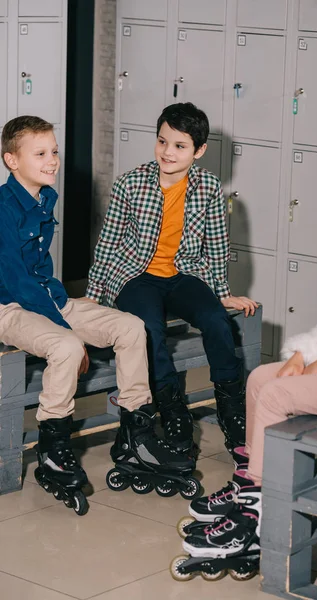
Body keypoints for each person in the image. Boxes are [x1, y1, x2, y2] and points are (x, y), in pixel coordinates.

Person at [179, 148, 317, 562]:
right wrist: (304, 354)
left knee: (280, 396)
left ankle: (260, 513)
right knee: (263, 377)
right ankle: (250, 483)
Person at [0, 115, 195, 513]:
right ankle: (53, 450)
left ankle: (136, 433)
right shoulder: (3, 210)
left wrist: (71, 310)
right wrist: (67, 329)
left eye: (54, 151)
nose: (52, 160)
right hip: (10, 307)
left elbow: (41, 278)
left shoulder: (45, 198)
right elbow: (18, 283)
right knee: (68, 347)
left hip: (49, 300)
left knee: (130, 326)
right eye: (40, 154)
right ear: (11, 161)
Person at [85, 102, 258, 454]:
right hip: (136, 275)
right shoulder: (129, 184)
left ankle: (231, 408)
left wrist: (221, 293)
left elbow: (217, 245)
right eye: (162, 142)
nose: (168, 152)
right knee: (150, 328)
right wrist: (94, 295)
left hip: (184, 274)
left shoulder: (209, 188)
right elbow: (108, 243)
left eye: (179, 146)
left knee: (215, 319)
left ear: (199, 151)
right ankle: (172, 408)